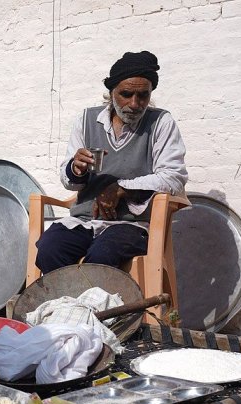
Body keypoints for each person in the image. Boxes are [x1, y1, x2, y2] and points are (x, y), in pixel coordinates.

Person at [35, 50, 187, 274]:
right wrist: (76, 169)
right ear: (112, 91)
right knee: (50, 249)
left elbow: (173, 178)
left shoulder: (161, 123)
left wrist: (121, 189)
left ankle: (98, 310)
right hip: (84, 221)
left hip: (132, 225)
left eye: (143, 96)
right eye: (126, 94)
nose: (135, 103)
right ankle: (67, 308)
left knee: (102, 256)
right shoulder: (86, 120)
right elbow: (70, 182)